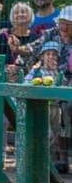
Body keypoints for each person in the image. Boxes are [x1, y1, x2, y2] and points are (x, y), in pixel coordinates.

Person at [23, 42, 70, 172]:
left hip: (56, 108)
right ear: (42, 57)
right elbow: (25, 83)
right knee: (46, 134)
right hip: (41, 108)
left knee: (55, 135)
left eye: (54, 55)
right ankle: (38, 161)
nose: (51, 57)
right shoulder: (36, 71)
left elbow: (64, 87)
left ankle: (48, 164)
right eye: (48, 54)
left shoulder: (59, 73)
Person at [0, 2, 39, 80]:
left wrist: (19, 68)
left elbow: (39, 62)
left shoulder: (36, 37)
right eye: (16, 12)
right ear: (12, 17)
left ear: (30, 16)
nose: (20, 14)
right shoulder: (3, 36)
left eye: (23, 12)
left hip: (30, 79)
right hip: (5, 78)